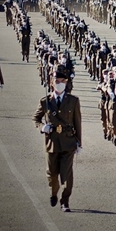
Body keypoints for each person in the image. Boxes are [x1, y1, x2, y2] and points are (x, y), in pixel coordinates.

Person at [32, 69, 82, 212]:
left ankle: (65, 201)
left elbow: (77, 122)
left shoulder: (73, 101)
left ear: (66, 83)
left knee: (67, 175)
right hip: (52, 142)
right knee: (52, 174)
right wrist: (42, 127)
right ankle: (53, 193)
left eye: (62, 81)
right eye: (57, 81)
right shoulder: (45, 101)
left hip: (68, 142)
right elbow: (36, 118)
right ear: (52, 83)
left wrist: (79, 142)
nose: (60, 84)